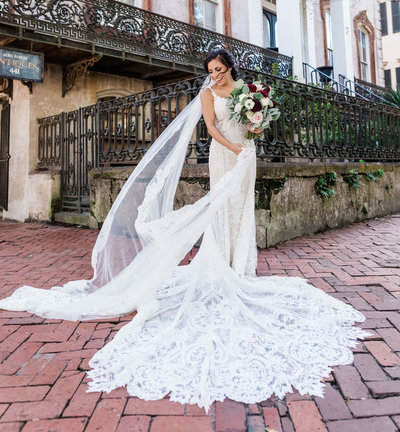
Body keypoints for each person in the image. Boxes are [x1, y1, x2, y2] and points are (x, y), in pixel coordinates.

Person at [0, 49, 367, 411]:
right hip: (227, 156)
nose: (216, 75)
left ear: (230, 67)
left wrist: (255, 128)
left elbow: (258, 124)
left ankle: (241, 265)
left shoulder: (247, 90)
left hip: (248, 153)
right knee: (222, 207)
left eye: (220, 69)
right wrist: (234, 148)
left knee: (243, 208)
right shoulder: (208, 93)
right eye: (211, 70)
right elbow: (209, 128)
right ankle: (222, 261)